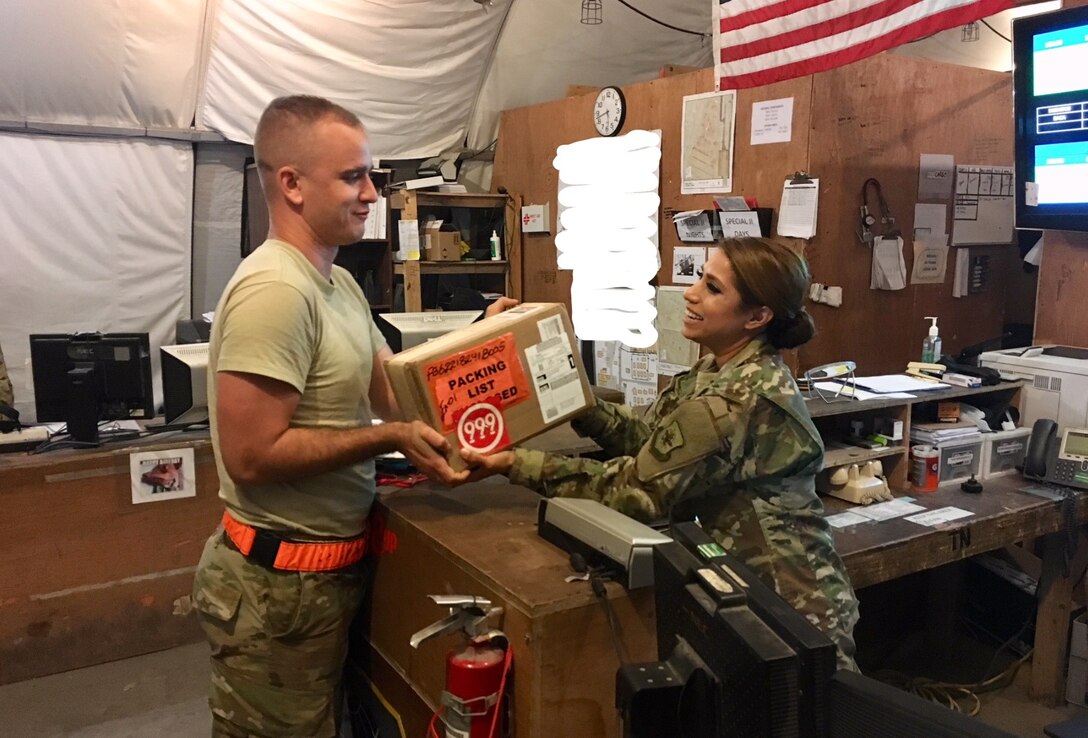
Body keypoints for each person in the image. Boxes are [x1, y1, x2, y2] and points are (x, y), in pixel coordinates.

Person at [192, 94, 513, 738]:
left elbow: (392, 395)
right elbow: (252, 457)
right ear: (291, 184)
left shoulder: (336, 284)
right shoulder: (276, 292)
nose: (372, 194)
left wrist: (481, 344)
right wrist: (387, 439)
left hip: (329, 577)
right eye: (353, 177)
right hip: (276, 592)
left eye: (372, 176)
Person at [463, 237, 860, 669]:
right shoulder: (718, 367)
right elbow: (651, 437)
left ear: (757, 316)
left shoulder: (736, 400)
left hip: (790, 610)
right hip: (752, 590)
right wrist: (574, 397)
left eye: (712, 288)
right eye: (699, 279)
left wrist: (515, 464)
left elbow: (635, 491)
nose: (690, 294)